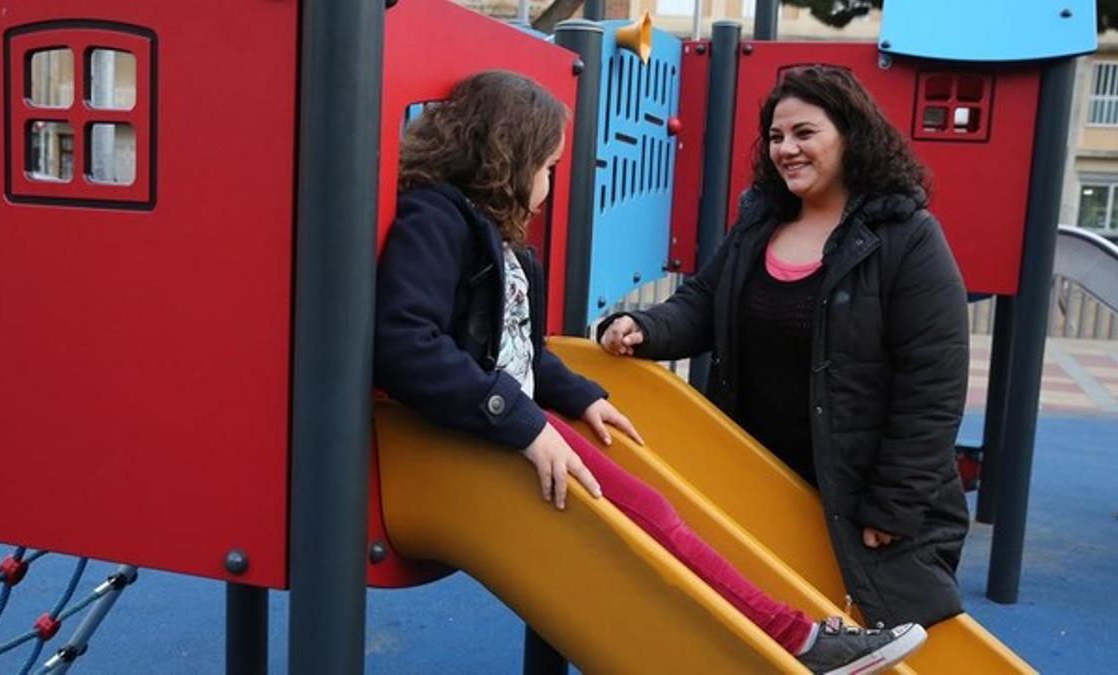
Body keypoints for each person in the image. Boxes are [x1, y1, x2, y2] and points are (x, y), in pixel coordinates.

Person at [375, 69, 926, 674]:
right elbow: (404, 342)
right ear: (511, 156)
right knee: (650, 514)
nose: (551, 183)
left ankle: (795, 635)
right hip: (465, 432)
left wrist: (580, 395)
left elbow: (520, 352)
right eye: (549, 166)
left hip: (500, 417)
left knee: (659, 505)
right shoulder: (436, 220)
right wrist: (525, 423)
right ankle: (795, 638)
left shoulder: (503, 241)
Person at [599, 65, 970, 630]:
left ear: (851, 134)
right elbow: (703, 301)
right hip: (759, 477)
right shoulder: (761, 221)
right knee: (756, 631)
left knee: (869, 634)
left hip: (857, 494)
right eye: (776, 137)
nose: (786, 149)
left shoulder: (906, 237)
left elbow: (933, 383)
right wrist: (646, 328)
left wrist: (896, 501)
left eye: (805, 133)